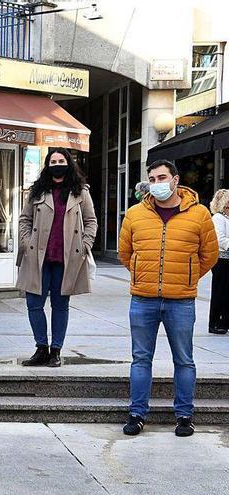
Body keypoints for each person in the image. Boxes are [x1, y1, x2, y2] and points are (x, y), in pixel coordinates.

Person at [118, 159, 218, 437]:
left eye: (162, 177)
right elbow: (125, 253)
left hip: (181, 300)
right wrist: (143, 274)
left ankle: (185, 415)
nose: (157, 183)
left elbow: (208, 255)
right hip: (143, 299)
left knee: (184, 359)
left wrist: (185, 276)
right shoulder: (135, 214)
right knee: (140, 359)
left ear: (175, 180)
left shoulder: (199, 214)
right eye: (152, 178)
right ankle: (137, 414)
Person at [16, 148, 98, 367]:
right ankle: (41, 348)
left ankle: (56, 351)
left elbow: (91, 221)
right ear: (47, 165)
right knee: (34, 304)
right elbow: (24, 219)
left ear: (68, 163)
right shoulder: (37, 191)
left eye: (61, 160)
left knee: (61, 306)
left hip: (67, 258)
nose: (57, 164)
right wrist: (26, 242)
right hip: (38, 258)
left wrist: (86, 244)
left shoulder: (80, 191)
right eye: (53, 161)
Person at [208, 189, 229, 335]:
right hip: (221, 260)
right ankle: (215, 323)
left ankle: (225, 322)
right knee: (220, 292)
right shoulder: (218, 218)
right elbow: (220, 239)